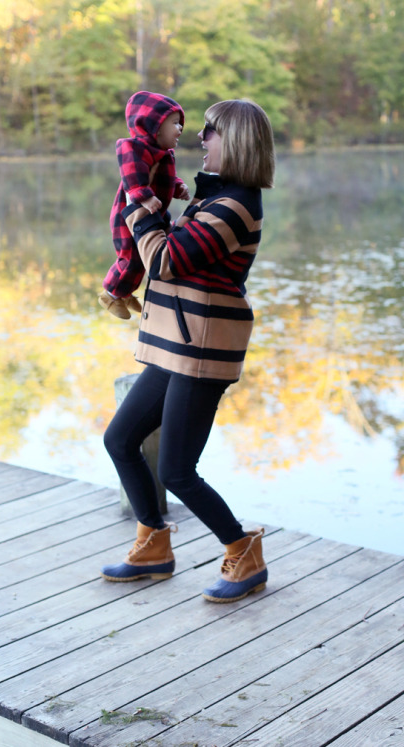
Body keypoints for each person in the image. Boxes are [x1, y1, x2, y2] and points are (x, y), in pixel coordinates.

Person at [101, 99, 275, 603]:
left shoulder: (237, 204)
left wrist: (136, 205)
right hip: (175, 344)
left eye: (210, 131)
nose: (201, 137)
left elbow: (166, 260)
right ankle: (153, 544)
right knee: (120, 440)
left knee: (177, 470)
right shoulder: (211, 198)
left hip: (201, 350)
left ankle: (243, 552)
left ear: (235, 140)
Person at [98, 91, 190, 320]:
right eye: (175, 124)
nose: (180, 129)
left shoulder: (164, 154)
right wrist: (143, 195)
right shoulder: (134, 148)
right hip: (128, 213)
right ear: (154, 126)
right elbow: (132, 175)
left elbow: (165, 178)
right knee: (130, 256)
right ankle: (110, 294)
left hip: (153, 212)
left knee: (144, 257)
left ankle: (126, 293)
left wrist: (177, 187)